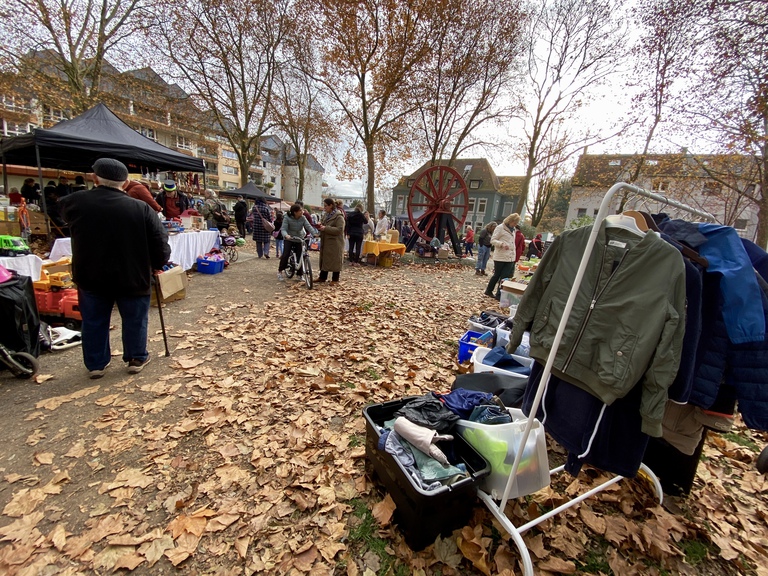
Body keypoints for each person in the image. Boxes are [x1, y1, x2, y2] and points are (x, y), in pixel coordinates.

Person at [59, 158, 170, 379]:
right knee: (135, 318)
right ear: (126, 182)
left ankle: (96, 363)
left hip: (91, 273)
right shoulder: (141, 208)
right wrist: (158, 264)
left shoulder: (74, 202)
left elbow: (63, 218)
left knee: (94, 320)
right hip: (132, 272)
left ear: (94, 177)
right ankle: (136, 357)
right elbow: (159, 240)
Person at [277, 204, 317, 281]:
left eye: (302, 210)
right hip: (289, 238)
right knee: (286, 254)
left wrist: (314, 233)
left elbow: (308, 226)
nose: (302, 212)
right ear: (295, 212)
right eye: (300, 210)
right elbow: (283, 229)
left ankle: (300, 274)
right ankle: (280, 271)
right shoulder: (287, 218)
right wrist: (286, 235)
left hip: (299, 237)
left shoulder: (303, 218)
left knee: (300, 255)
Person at [485, 213, 519, 299]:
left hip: (510, 257)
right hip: (500, 256)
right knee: (497, 274)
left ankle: (499, 294)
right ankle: (489, 290)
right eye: (514, 223)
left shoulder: (513, 230)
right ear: (510, 221)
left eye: (516, 223)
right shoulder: (500, 228)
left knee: (505, 277)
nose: (515, 225)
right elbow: (493, 240)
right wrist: (501, 244)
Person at [315, 197, 345, 283]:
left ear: (331, 205)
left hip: (335, 243)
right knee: (325, 259)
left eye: (325, 206)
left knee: (335, 260)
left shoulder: (339, 216)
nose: (324, 208)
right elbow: (323, 222)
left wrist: (326, 228)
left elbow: (339, 230)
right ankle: (322, 277)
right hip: (326, 241)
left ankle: (335, 279)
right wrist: (320, 224)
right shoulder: (326, 215)